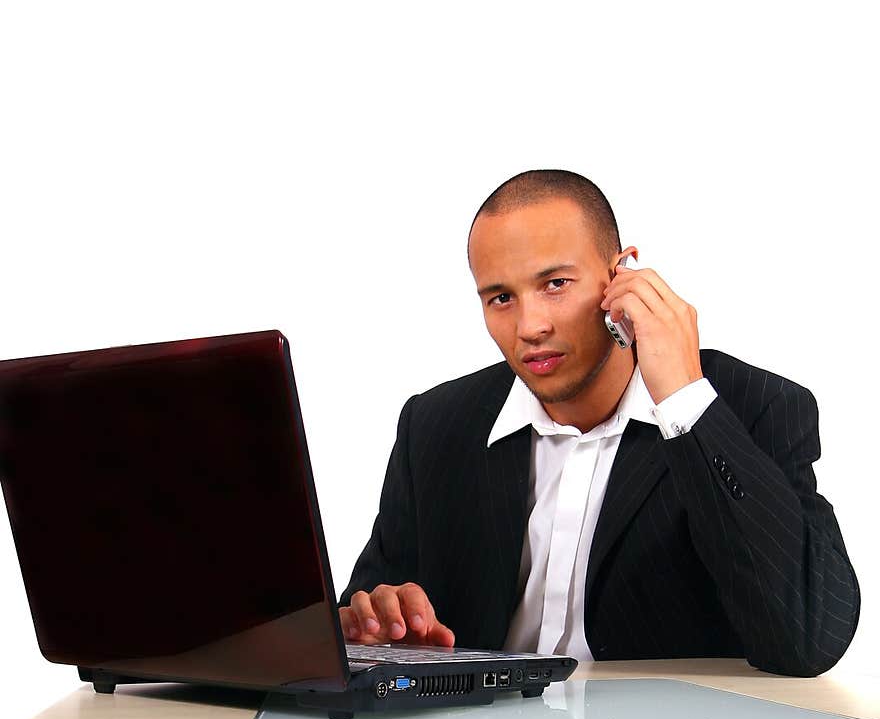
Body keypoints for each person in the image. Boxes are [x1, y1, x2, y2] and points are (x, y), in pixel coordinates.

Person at [339, 169, 859, 675]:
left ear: (622, 276)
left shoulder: (753, 408)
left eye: (556, 284)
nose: (530, 326)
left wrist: (683, 402)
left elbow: (808, 638)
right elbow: (363, 619)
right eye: (501, 298)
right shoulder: (434, 426)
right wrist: (381, 627)